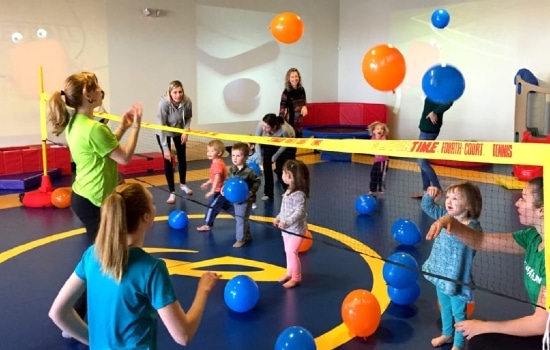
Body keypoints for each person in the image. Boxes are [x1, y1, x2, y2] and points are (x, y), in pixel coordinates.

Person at [48, 183, 220, 348]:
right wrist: (203, 290)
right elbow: (183, 336)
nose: (155, 206)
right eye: (152, 203)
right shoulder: (151, 269)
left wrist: (95, 342)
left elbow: (58, 313)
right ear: (146, 217)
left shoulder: (92, 255)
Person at [48, 71, 142, 323]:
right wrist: (136, 128)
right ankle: (73, 316)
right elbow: (123, 157)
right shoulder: (93, 129)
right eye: (97, 87)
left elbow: (105, 149)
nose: (102, 90)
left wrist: (122, 126)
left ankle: (84, 309)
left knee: (106, 254)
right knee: (103, 259)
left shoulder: (76, 124)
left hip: (84, 196)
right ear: (88, 96)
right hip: (95, 202)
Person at [426, 177, 548, 350]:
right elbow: (480, 241)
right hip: (544, 328)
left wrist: (484, 325)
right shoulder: (532, 237)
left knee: (481, 339)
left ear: (541, 210)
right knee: (480, 340)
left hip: (544, 330)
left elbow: (541, 324)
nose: (517, 203)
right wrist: (450, 222)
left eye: (523, 198)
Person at [422, 182, 483, 350]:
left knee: (459, 313)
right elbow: (427, 207)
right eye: (448, 197)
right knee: (445, 308)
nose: (449, 201)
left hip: (456, 278)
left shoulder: (473, 227)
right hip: (440, 273)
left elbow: (472, 239)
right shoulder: (443, 214)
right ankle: (447, 334)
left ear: (468, 205)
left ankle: (459, 343)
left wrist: (450, 223)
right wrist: (430, 194)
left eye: (455, 198)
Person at [198, 142, 261, 248]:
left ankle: (240, 239)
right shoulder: (232, 169)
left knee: (240, 219)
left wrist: (251, 192)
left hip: (246, 199)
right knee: (242, 218)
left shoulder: (249, 171)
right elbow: (228, 181)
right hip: (235, 198)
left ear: (245, 157)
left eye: (238, 156)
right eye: (233, 155)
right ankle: (247, 235)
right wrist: (224, 188)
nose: (235, 158)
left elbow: (257, 181)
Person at [156, 80, 194, 204]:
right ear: (170, 93)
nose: (178, 95)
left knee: (182, 158)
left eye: (180, 92)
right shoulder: (163, 104)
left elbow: (188, 118)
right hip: (164, 132)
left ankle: (183, 184)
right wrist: (165, 148)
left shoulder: (187, 101)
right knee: (168, 161)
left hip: (179, 130)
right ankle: (172, 192)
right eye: (175, 92)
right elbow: (161, 126)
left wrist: (186, 131)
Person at [274, 159, 310, 289]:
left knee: (291, 252)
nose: (282, 175)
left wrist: (287, 221)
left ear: (289, 175)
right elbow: (284, 209)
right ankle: (289, 273)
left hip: (296, 230)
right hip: (287, 230)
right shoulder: (288, 190)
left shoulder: (299, 195)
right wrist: (279, 218)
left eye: (283, 173)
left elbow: (299, 212)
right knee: (288, 251)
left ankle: (296, 277)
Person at [411, 97, 453, 198]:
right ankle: (426, 190)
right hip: (425, 128)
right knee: (422, 162)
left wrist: (435, 112)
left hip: (430, 129)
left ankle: (438, 190)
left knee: (422, 162)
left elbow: (449, 102)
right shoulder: (433, 92)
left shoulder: (442, 93)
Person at [255, 113, 296, 201]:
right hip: (270, 142)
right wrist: (259, 157)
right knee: (267, 166)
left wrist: (274, 157)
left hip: (288, 144)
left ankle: (288, 191)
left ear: (274, 127)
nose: (264, 129)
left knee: (283, 168)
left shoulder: (284, 129)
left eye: (267, 127)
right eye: (263, 126)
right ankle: (268, 193)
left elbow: (284, 146)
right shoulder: (261, 124)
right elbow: (256, 141)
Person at [196, 140, 228, 232]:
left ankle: (208, 225)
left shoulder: (217, 164)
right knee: (225, 207)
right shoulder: (217, 162)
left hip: (220, 192)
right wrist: (207, 183)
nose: (208, 153)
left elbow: (217, 178)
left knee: (212, 207)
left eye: (212, 151)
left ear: (219, 153)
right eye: (208, 151)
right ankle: (240, 214)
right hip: (220, 191)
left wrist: (211, 190)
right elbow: (214, 177)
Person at [279, 67, 308, 138]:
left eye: (296, 76)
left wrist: (305, 106)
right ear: (288, 79)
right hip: (290, 122)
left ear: (299, 77)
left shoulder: (302, 89)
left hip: (300, 122)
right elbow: (282, 110)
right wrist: (280, 125)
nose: (294, 79)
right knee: (291, 142)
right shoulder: (286, 93)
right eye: (292, 77)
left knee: (299, 140)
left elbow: (304, 102)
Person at [367, 121, 390, 195]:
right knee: (373, 174)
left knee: (381, 175)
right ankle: (372, 189)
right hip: (377, 160)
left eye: (381, 129)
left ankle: (381, 188)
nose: (380, 130)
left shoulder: (383, 138)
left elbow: (381, 144)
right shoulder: (372, 138)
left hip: (384, 161)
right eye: (377, 129)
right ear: (374, 131)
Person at [247, 142, 262, 209]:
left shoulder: (255, 156)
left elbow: (258, 165)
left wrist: (261, 170)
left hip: (253, 176)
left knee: (252, 189)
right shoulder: (243, 155)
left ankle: (252, 202)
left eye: (246, 145)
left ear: (252, 146)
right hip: (245, 175)